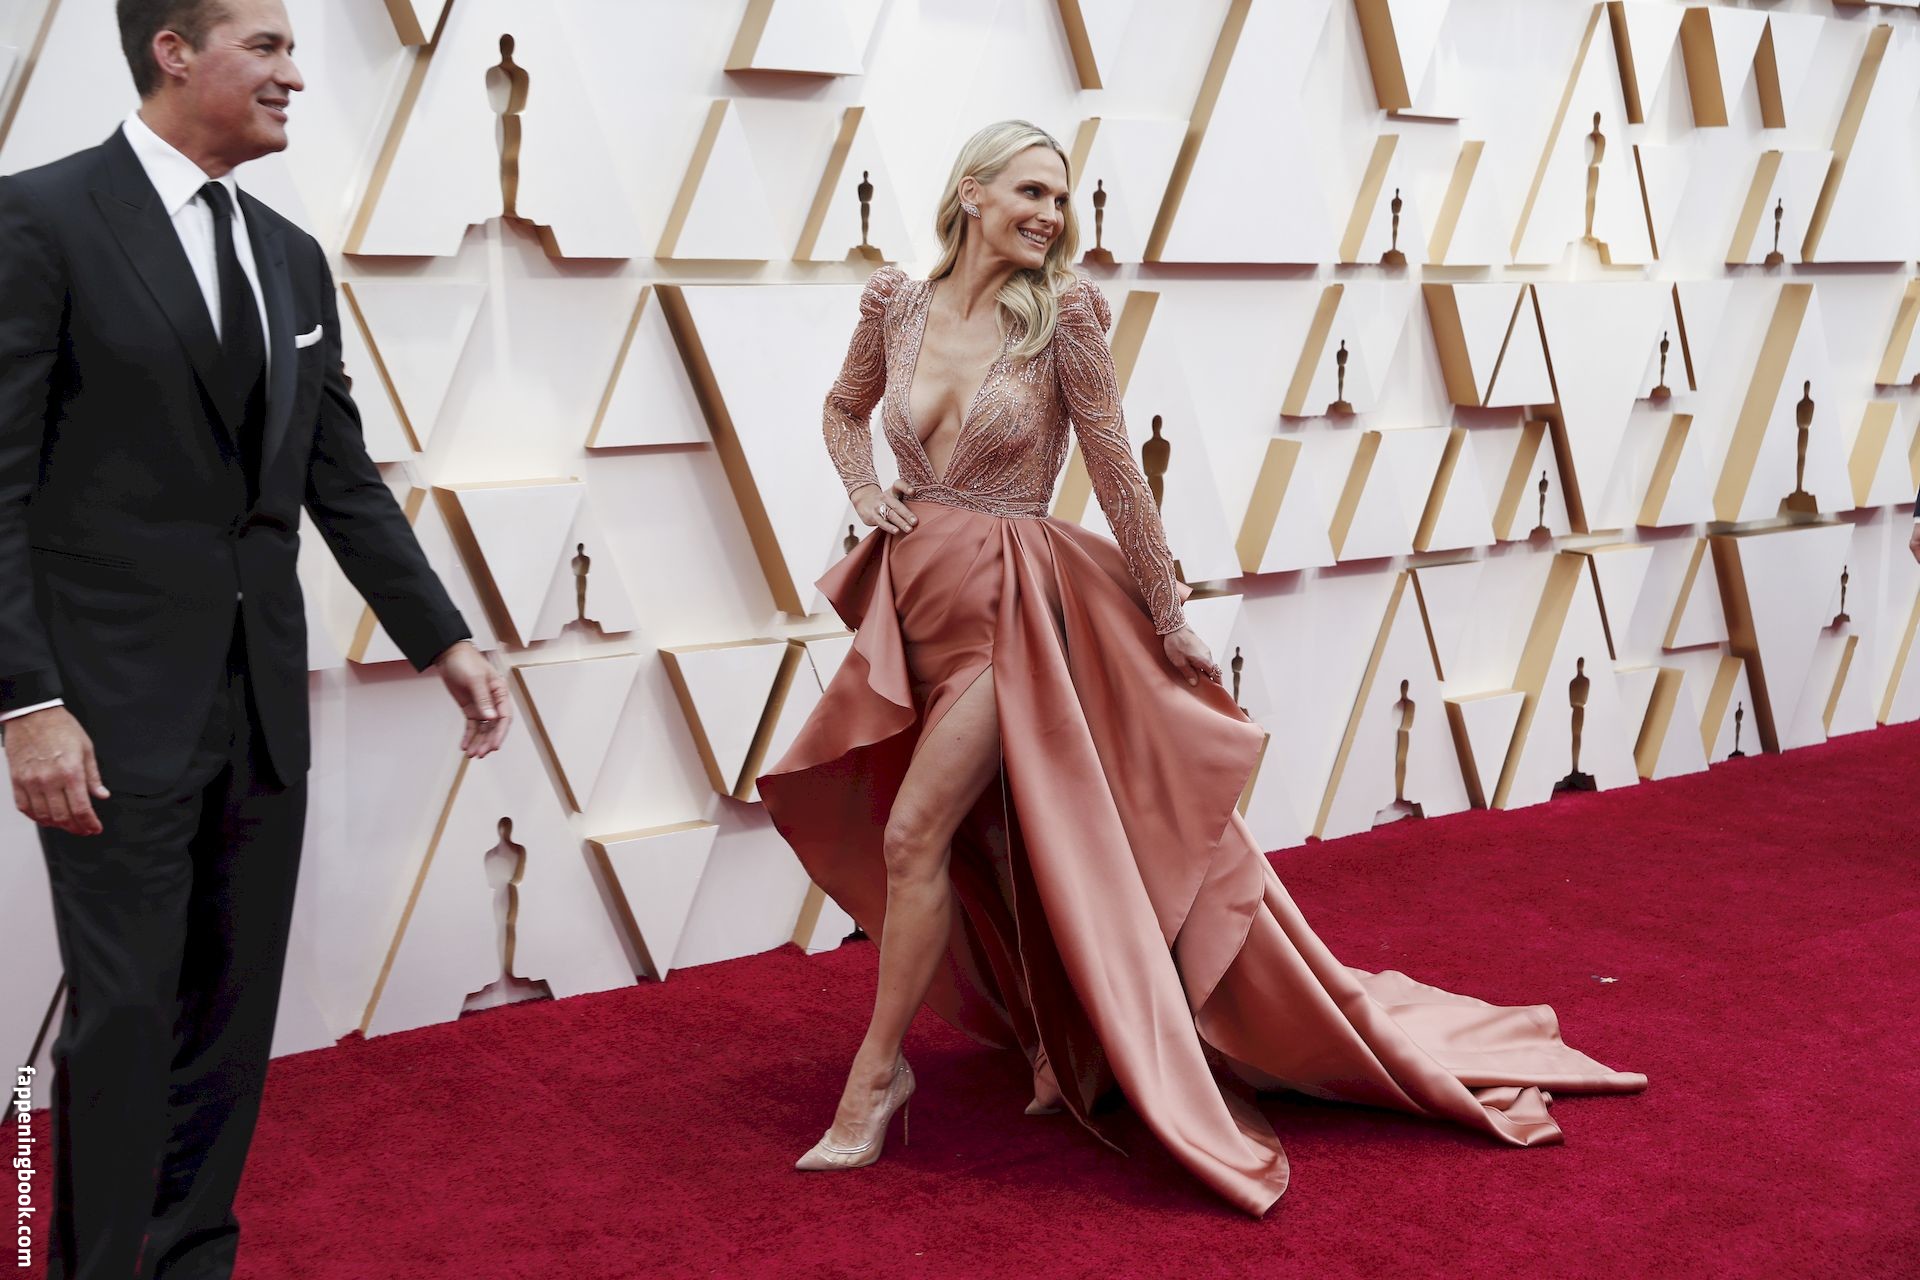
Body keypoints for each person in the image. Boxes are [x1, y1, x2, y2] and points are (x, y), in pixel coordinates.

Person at [756, 120, 1646, 1216]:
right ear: (971, 193)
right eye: (1031, 192)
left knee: (914, 833)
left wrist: (1170, 612)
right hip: (913, 598)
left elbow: (1117, 471)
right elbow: (844, 410)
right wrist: (862, 488)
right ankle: (1063, 1046)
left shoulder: (1064, 317)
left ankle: (875, 1078)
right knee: (999, 838)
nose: (1051, 215)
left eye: (1061, 198)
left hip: (1010, 613)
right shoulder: (897, 304)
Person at [0, 2, 511, 1274]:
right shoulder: (39, 218)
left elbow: (337, 477)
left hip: (261, 701)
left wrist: (443, 637)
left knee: (230, 1017)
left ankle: (193, 1257)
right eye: (267, 47)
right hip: (107, 709)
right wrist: (26, 701)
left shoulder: (288, 256)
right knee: (123, 1016)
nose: (296, 75)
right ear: (173, 51)